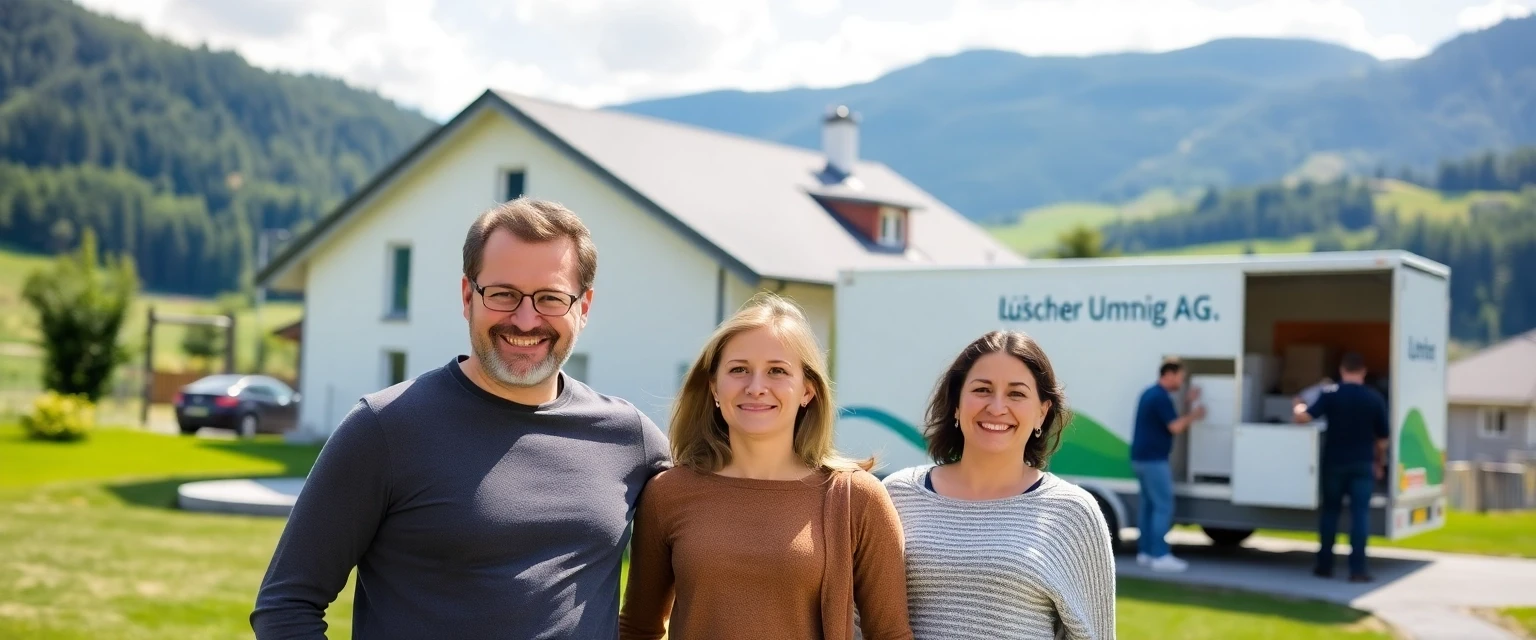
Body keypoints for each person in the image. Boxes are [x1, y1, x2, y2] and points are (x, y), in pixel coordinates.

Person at [250, 198, 671, 639]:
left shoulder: (631, 439)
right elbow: (286, 606)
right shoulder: (385, 428)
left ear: (583, 308)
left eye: (550, 298)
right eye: (504, 294)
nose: (525, 320)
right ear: (468, 296)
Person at [618, 292, 912, 640]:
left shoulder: (857, 498)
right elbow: (638, 628)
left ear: (807, 390)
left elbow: (890, 634)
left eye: (777, 371)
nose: (756, 387)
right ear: (714, 387)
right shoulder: (667, 493)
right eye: (739, 370)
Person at [881, 330, 1116, 640]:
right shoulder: (897, 494)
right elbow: (861, 620)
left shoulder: (1073, 513)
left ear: (1042, 412)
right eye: (982, 389)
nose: (996, 407)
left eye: (1016, 394)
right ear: (956, 403)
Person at [1292, 351, 1390, 582]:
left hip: (1334, 462)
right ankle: (1358, 569)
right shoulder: (1374, 398)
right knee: (1360, 516)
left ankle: (1324, 566)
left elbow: (1304, 418)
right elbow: (1382, 438)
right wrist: (1380, 463)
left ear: (1342, 370)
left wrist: (1297, 405)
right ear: (1363, 371)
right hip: (1362, 463)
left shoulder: (1330, 394)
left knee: (1330, 512)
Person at [1129, 358, 1205, 572]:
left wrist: (1188, 403)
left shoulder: (1150, 393)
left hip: (1140, 459)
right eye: (1181, 377)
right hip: (1154, 460)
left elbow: (1169, 419)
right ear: (1169, 374)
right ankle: (1160, 556)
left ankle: (1145, 553)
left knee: (1148, 507)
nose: (1182, 381)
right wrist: (1195, 415)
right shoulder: (1160, 397)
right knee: (1163, 506)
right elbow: (1175, 426)